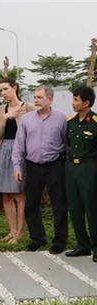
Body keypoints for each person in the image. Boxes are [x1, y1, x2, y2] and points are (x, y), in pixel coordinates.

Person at [12, 85, 68, 254]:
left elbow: (66, 143)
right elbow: (19, 145)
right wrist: (17, 167)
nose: (36, 100)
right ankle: (37, 238)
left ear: (50, 99)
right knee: (31, 205)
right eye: (35, 97)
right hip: (33, 166)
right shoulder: (27, 120)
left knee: (58, 204)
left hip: (54, 165)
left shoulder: (61, 119)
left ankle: (60, 241)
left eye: (39, 97)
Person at [0, 77, 34, 244]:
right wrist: (5, 118)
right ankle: (12, 230)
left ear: (15, 88)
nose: (3, 93)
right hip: (4, 150)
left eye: (5, 89)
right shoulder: (1, 109)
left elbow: (33, 131)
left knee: (19, 194)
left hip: (21, 152)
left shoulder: (28, 107)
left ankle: (21, 232)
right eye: (1, 90)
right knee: (6, 194)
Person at [65, 86, 97, 262]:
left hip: (89, 168)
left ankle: (96, 246)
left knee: (92, 208)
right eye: (73, 99)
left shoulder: (95, 122)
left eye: (76, 100)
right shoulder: (70, 122)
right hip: (71, 168)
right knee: (75, 208)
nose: (73, 103)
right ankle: (82, 245)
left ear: (87, 103)